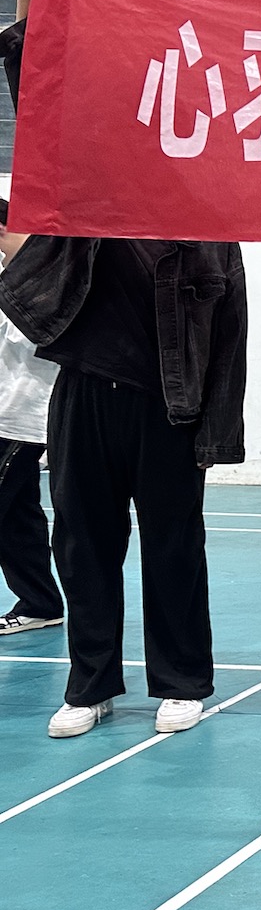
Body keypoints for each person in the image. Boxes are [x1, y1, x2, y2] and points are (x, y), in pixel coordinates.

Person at [0, 0, 248, 740]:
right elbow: (39, 104)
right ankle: (90, 684)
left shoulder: (208, 222)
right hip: (83, 390)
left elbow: (230, 335)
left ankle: (183, 681)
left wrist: (217, 431)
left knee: (174, 546)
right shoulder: (86, 185)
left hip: (168, 404)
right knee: (83, 544)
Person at [0, 197, 61, 638]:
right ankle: (39, 602)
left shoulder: (49, 276)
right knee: (16, 516)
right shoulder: (8, 276)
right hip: (5, 413)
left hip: (26, 417)